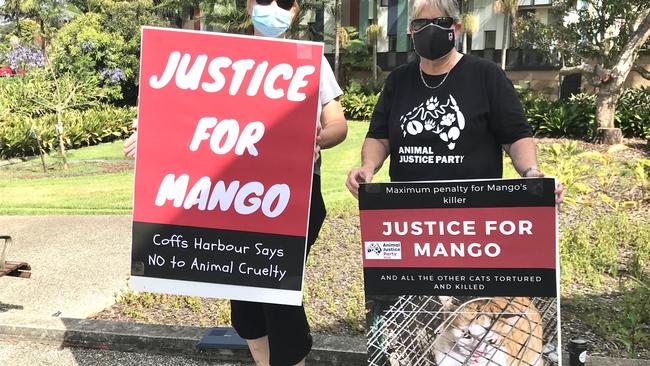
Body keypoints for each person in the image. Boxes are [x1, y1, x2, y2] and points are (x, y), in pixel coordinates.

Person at [124, 0, 347, 364]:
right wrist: (151, 134)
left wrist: (316, 139)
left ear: (294, 12)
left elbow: (338, 123)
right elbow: (190, 120)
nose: (273, 7)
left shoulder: (311, 62)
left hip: (294, 199)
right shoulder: (219, 61)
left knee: (277, 287)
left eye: (284, 2)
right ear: (248, 6)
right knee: (242, 290)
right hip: (233, 200)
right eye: (264, 0)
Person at [346, 0, 564, 205]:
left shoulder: (486, 75)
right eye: (421, 23)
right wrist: (367, 168)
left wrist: (531, 173)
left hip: (473, 212)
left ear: (456, 29)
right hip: (410, 211)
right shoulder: (399, 80)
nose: (430, 30)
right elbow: (379, 137)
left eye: (441, 22)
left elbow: (515, 136)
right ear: (411, 31)